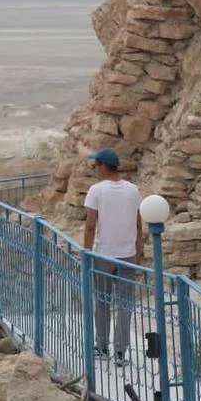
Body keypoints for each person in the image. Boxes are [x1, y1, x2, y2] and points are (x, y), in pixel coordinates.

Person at [82, 148, 144, 367]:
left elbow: (90, 225)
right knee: (125, 304)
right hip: (127, 255)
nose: (94, 170)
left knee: (102, 301)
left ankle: (101, 347)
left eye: (94, 165)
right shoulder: (133, 190)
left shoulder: (96, 191)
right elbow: (138, 223)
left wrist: (87, 252)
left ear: (102, 166)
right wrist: (139, 251)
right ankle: (120, 352)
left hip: (103, 255)